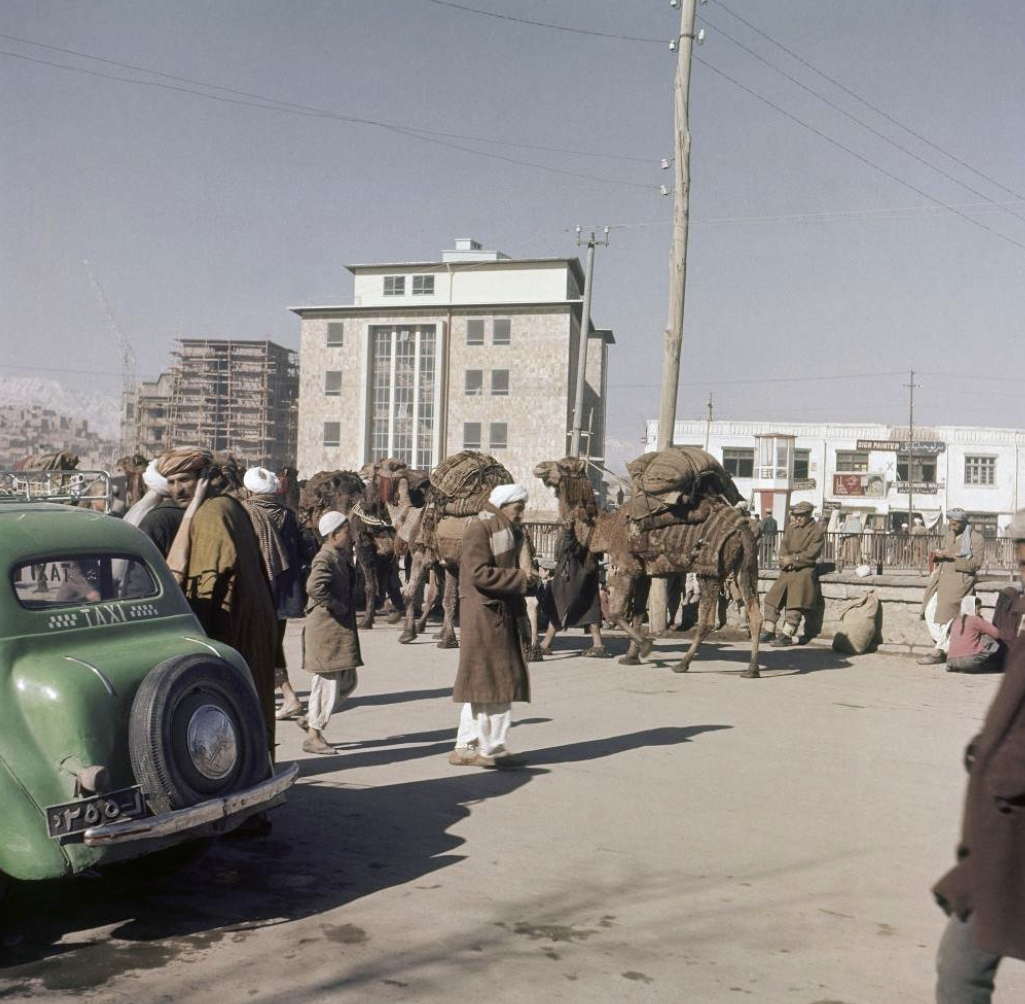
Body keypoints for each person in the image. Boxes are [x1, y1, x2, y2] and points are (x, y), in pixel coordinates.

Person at [933, 510, 1025, 1002]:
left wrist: (1006, 770)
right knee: (960, 962)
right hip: (1002, 829)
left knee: (963, 969)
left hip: (1013, 822)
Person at [156, 447, 278, 756]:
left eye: (184, 480)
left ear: (205, 478)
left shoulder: (211, 515)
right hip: (253, 628)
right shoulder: (230, 507)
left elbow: (201, 586)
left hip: (230, 632)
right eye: (170, 482)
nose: (177, 489)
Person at [450, 484, 538, 768]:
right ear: (504, 504)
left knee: (482, 684)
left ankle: (465, 747)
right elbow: (478, 573)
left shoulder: (504, 529)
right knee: (499, 683)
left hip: (496, 616)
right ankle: (492, 750)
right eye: (518, 508)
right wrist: (521, 579)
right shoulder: (482, 529)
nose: (521, 514)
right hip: (487, 617)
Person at [241, 467, 309, 721]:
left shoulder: (246, 514)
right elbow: (305, 550)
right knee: (271, 645)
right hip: (283, 596)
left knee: (262, 646)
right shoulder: (288, 516)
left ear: (248, 491)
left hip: (258, 592)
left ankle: (288, 696)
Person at [300, 511, 362, 754]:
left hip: (337, 630)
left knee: (348, 682)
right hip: (327, 629)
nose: (351, 536)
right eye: (347, 532)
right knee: (328, 683)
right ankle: (314, 734)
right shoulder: (325, 558)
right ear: (334, 535)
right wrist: (336, 605)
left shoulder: (338, 555)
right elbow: (314, 586)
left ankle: (311, 719)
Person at [918, 508, 985, 666]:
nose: (952, 526)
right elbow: (944, 553)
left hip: (960, 581)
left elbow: (976, 564)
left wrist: (951, 557)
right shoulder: (948, 535)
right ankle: (945, 646)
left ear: (963, 522)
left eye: (955, 523)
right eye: (950, 522)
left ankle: (939, 650)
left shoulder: (976, 538)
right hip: (941, 579)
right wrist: (939, 556)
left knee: (948, 616)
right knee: (929, 610)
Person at [760, 501, 824, 647]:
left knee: (796, 603)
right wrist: (783, 559)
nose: (797, 519)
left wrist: (793, 560)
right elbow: (784, 545)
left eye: (801, 516)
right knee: (772, 598)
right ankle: (769, 631)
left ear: (809, 515)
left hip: (804, 570)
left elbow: (812, 554)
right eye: (796, 515)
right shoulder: (791, 528)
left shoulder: (816, 531)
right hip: (788, 570)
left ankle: (787, 634)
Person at [946, 596, 1001, 674]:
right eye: (978, 609)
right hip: (969, 662)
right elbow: (997, 634)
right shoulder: (976, 619)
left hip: (951, 662)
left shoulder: (956, 620)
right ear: (972, 608)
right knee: (987, 638)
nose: (980, 611)